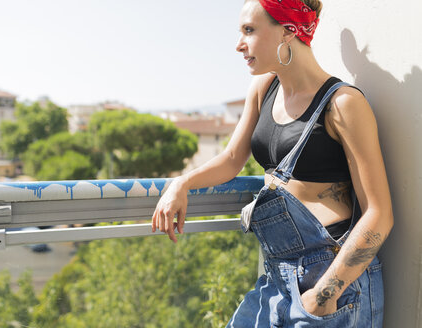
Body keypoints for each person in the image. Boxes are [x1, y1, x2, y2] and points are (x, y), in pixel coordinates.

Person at [151, 0, 393, 326]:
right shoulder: (264, 88)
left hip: (332, 278)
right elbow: (232, 159)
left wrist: (324, 295)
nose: (239, 44)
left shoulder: (344, 104)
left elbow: (379, 214)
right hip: (276, 274)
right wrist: (181, 183)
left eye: (249, 31)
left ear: (287, 31)